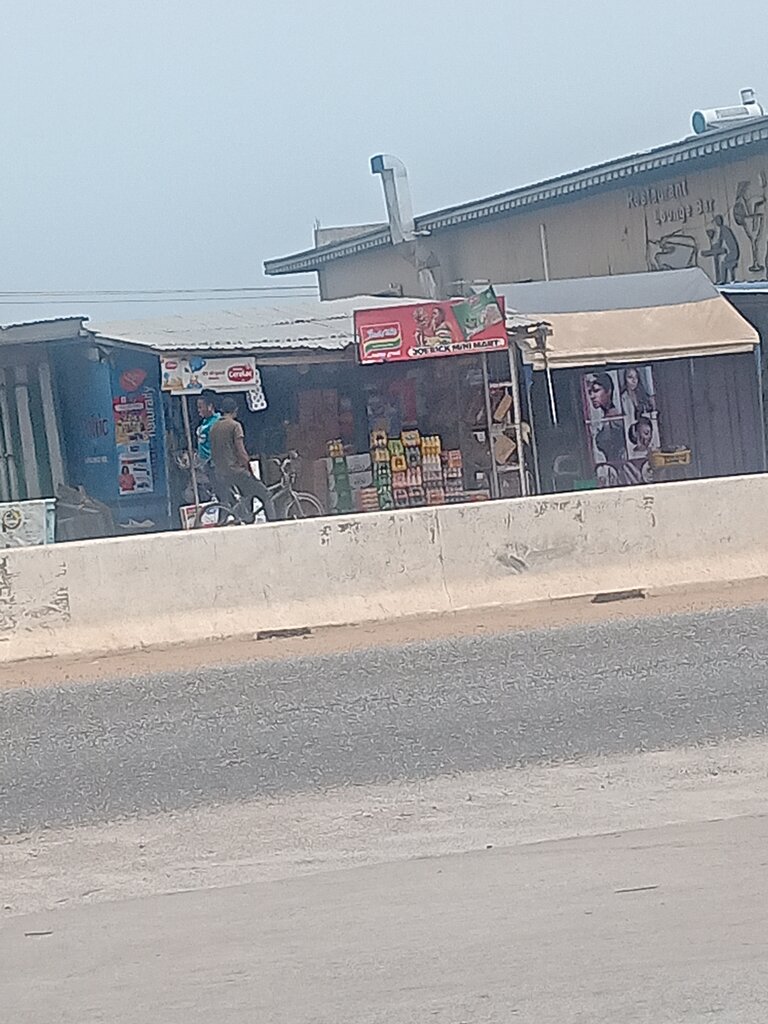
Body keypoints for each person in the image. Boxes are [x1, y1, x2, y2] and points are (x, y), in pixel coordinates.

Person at [209, 396, 276, 522]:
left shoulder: (214, 427)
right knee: (265, 494)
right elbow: (241, 452)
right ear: (235, 410)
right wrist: (249, 469)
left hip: (220, 473)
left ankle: (248, 519)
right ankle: (274, 526)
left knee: (247, 494)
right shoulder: (235, 426)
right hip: (235, 471)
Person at [195, 391, 220, 467]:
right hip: (203, 461)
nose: (198, 410)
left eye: (200, 407)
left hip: (212, 462)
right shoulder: (205, 421)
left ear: (210, 406)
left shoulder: (217, 422)